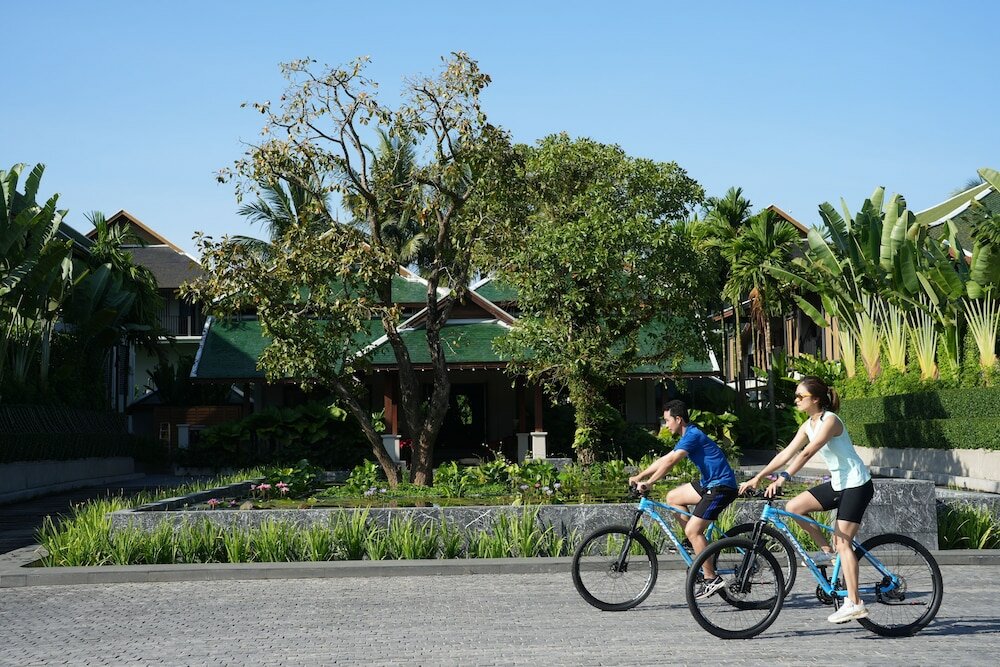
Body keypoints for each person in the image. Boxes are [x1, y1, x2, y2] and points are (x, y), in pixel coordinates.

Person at [739, 376, 874, 624]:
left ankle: (855, 603)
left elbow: (809, 451)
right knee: (794, 507)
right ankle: (828, 552)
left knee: (844, 542)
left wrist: (784, 478)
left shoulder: (830, 420)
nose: (796, 400)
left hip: (856, 484)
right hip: (838, 484)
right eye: (796, 396)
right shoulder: (808, 425)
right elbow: (787, 453)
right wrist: (757, 478)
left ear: (816, 399)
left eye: (801, 396)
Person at [628, 399, 738, 599]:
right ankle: (693, 542)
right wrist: (639, 476)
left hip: (722, 486)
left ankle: (711, 578)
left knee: (693, 530)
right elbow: (664, 458)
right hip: (708, 483)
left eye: (667, 420)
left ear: (679, 419)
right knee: (673, 497)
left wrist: (650, 482)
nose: (665, 424)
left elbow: (671, 462)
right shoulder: (688, 434)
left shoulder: (693, 435)